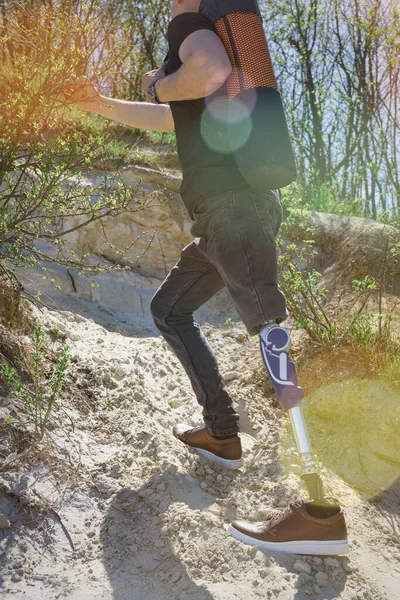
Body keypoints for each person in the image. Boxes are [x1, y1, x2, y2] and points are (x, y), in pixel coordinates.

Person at [65, 0, 348, 555]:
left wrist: (161, 81)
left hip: (232, 210)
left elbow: (209, 70)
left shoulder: (190, 22)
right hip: (227, 217)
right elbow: (172, 115)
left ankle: (319, 514)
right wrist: (100, 104)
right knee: (169, 310)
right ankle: (221, 433)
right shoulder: (203, 33)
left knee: (271, 335)